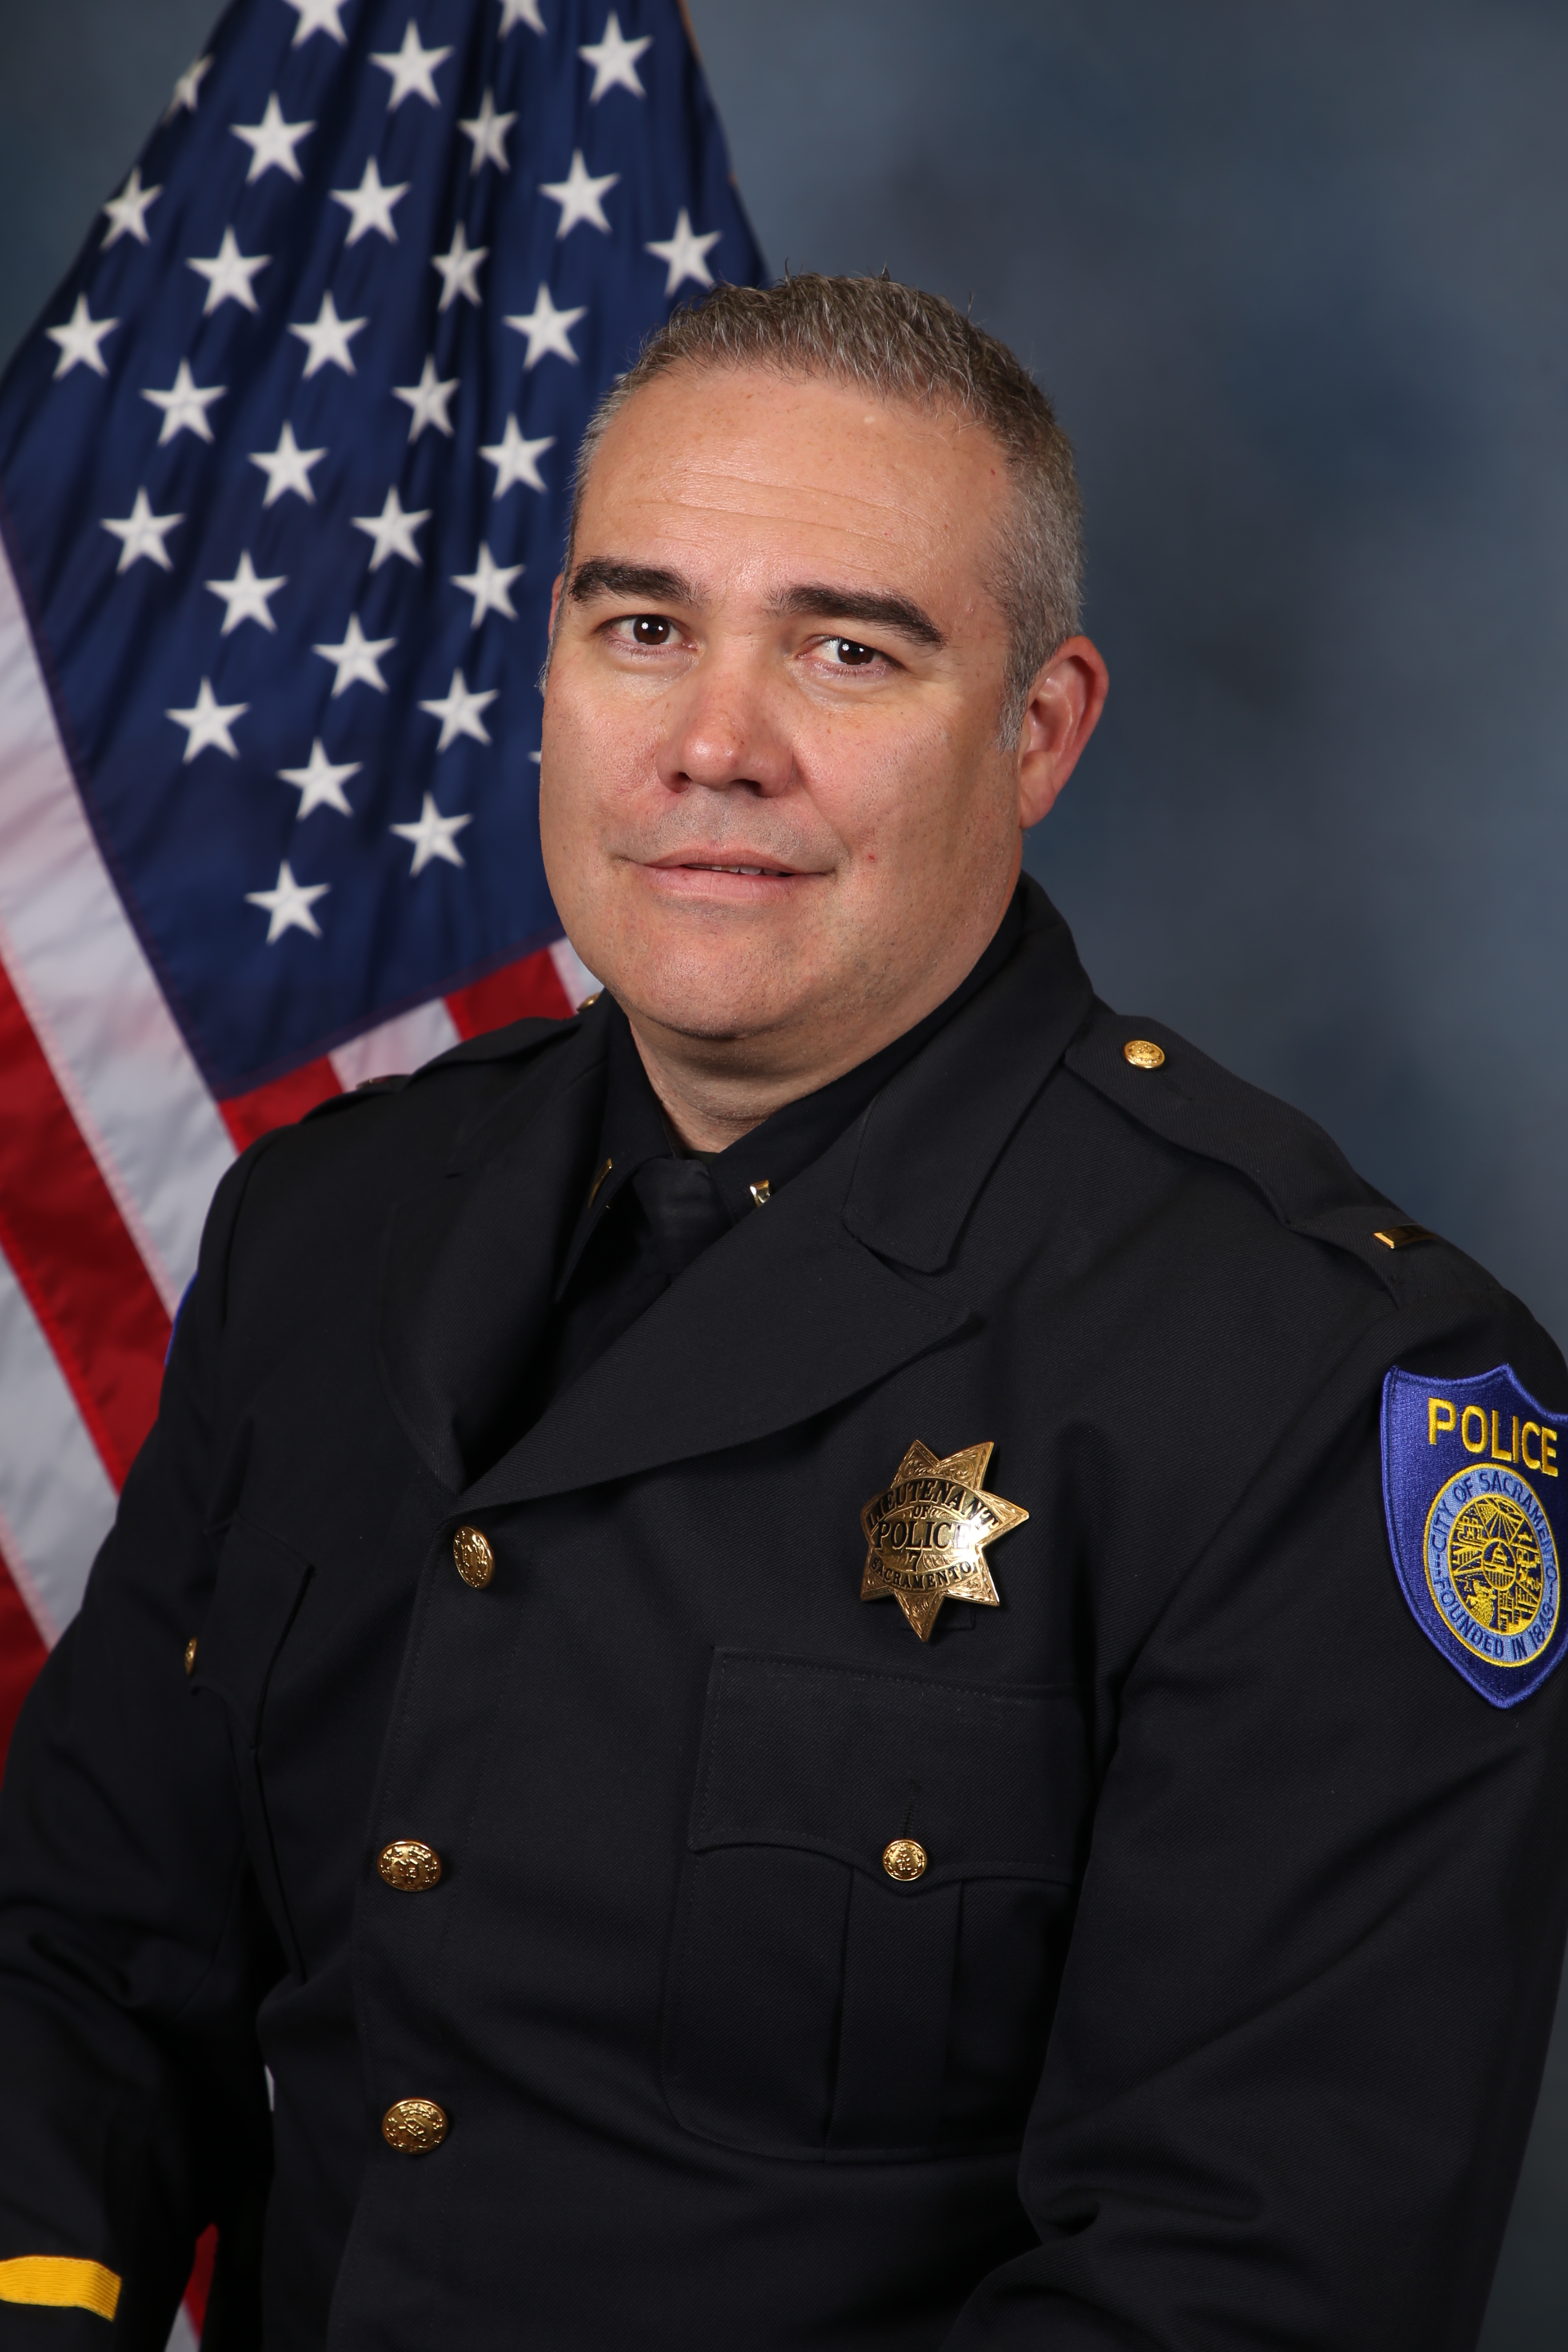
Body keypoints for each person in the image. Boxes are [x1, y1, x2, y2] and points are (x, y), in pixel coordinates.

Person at [0, 273, 1564, 2352]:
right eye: (642, 627)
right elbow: (85, 1964)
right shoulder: (333, 1223)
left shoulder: (1320, 1393)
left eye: (846, 649)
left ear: (1041, 733)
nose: (713, 745)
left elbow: (1241, 2289)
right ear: (551, 671)